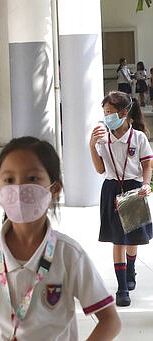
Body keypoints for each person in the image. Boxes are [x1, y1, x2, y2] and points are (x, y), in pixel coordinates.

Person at [0, 136, 121, 340]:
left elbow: (110, 321)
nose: (20, 189)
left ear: (55, 189)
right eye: (9, 180)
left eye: (32, 178)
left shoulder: (69, 254)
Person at [89, 91, 153, 306]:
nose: (107, 116)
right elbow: (99, 169)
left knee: (132, 238)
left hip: (134, 188)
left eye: (110, 112)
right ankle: (122, 288)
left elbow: (147, 165)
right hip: (111, 189)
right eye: (105, 112)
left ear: (124, 113)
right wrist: (91, 145)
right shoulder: (102, 139)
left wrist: (146, 184)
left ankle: (131, 270)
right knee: (118, 240)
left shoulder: (138, 137)